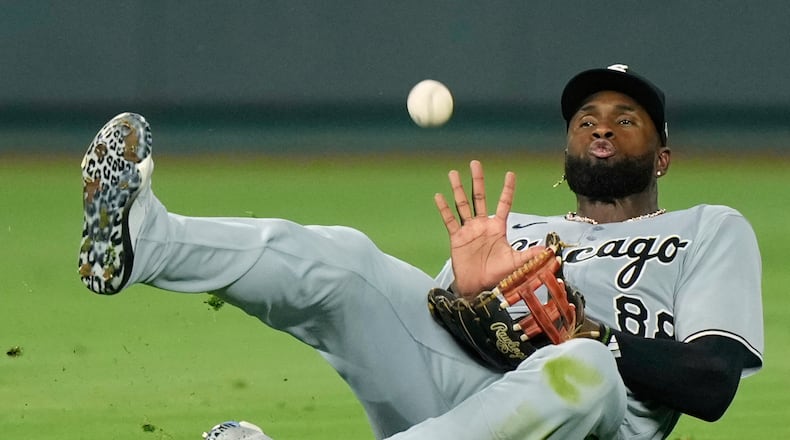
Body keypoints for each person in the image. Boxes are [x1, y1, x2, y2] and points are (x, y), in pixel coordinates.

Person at [78, 64, 763, 440]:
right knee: (347, 261)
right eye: (586, 119)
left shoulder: (709, 228)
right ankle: (146, 243)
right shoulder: (515, 229)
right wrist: (465, 297)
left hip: (595, 422)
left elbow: (710, 386)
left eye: (626, 119)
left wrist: (586, 332)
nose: (601, 128)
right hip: (466, 411)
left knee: (579, 365)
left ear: (664, 157)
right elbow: (443, 345)